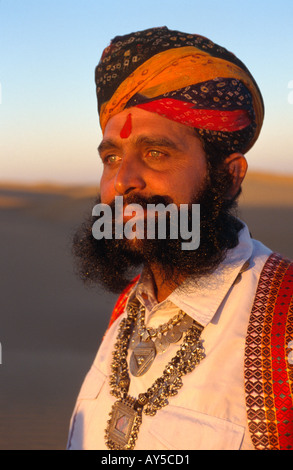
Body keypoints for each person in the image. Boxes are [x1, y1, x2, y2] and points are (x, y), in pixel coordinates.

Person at [67, 26, 293, 451]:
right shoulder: (126, 310)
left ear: (229, 178)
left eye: (156, 153)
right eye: (111, 157)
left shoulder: (286, 321)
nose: (123, 181)